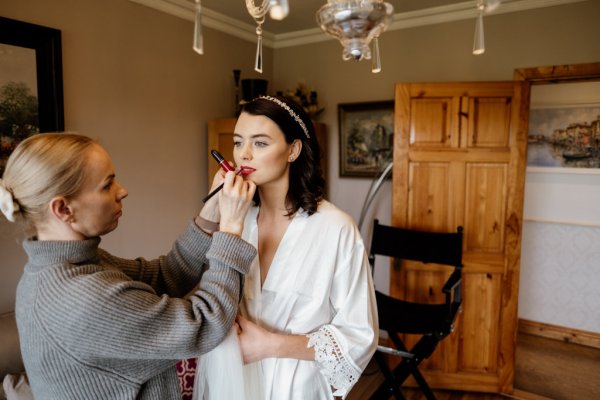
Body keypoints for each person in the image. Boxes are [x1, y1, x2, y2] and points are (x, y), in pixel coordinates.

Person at [0, 132, 257, 399]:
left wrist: (212, 214)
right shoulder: (81, 295)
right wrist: (231, 230)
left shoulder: (72, 265)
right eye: (107, 185)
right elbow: (205, 324)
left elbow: (164, 275)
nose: (123, 191)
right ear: (63, 209)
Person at [194, 96, 378, 400]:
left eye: (261, 143)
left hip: (296, 388)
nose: (244, 155)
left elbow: (360, 335)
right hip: (231, 379)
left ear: (293, 150)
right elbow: (209, 299)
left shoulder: (335, 229)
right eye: (238, 143)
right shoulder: (236, 221)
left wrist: (271, 345)